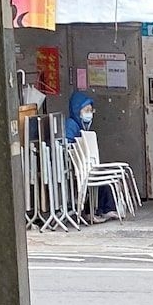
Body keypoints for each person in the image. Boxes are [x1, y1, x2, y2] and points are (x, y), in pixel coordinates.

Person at [66, 89, 116, 221]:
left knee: (104, 176)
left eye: (90, 110)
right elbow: (68, 145)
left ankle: (105, 209)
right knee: (96, 179)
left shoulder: (83, 125)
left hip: (85, 164)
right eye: (86, 110)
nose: (89, 114)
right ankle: (94, 211)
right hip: (77, 167)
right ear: (78, 111)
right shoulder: (71, 125)